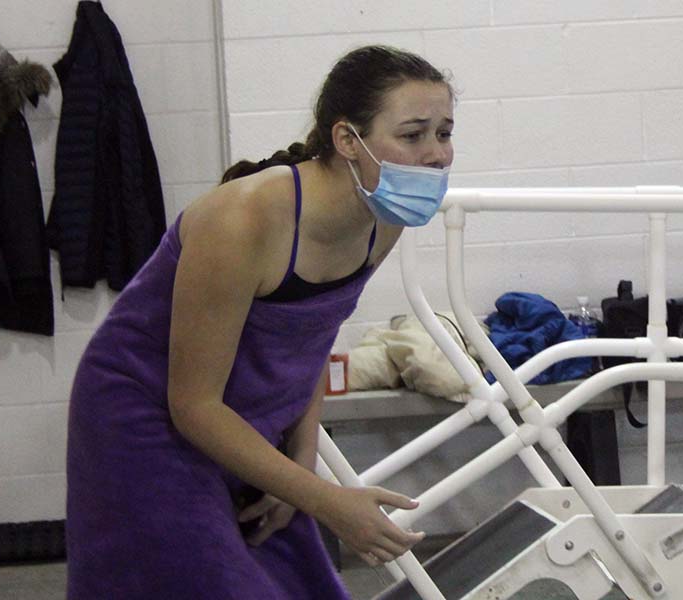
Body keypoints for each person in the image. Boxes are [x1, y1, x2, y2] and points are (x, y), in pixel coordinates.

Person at [65, 44, 456, 599]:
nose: (437, 155)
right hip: (146, 415)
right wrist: (320, 499)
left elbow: (312, 346)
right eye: (413, 135)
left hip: (245, 417)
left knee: (291, 581)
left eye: (444, 133)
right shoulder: (243, 218)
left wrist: (298, 464)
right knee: (200, 580)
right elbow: (192, 405)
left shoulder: (383, 219)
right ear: (348, 139)